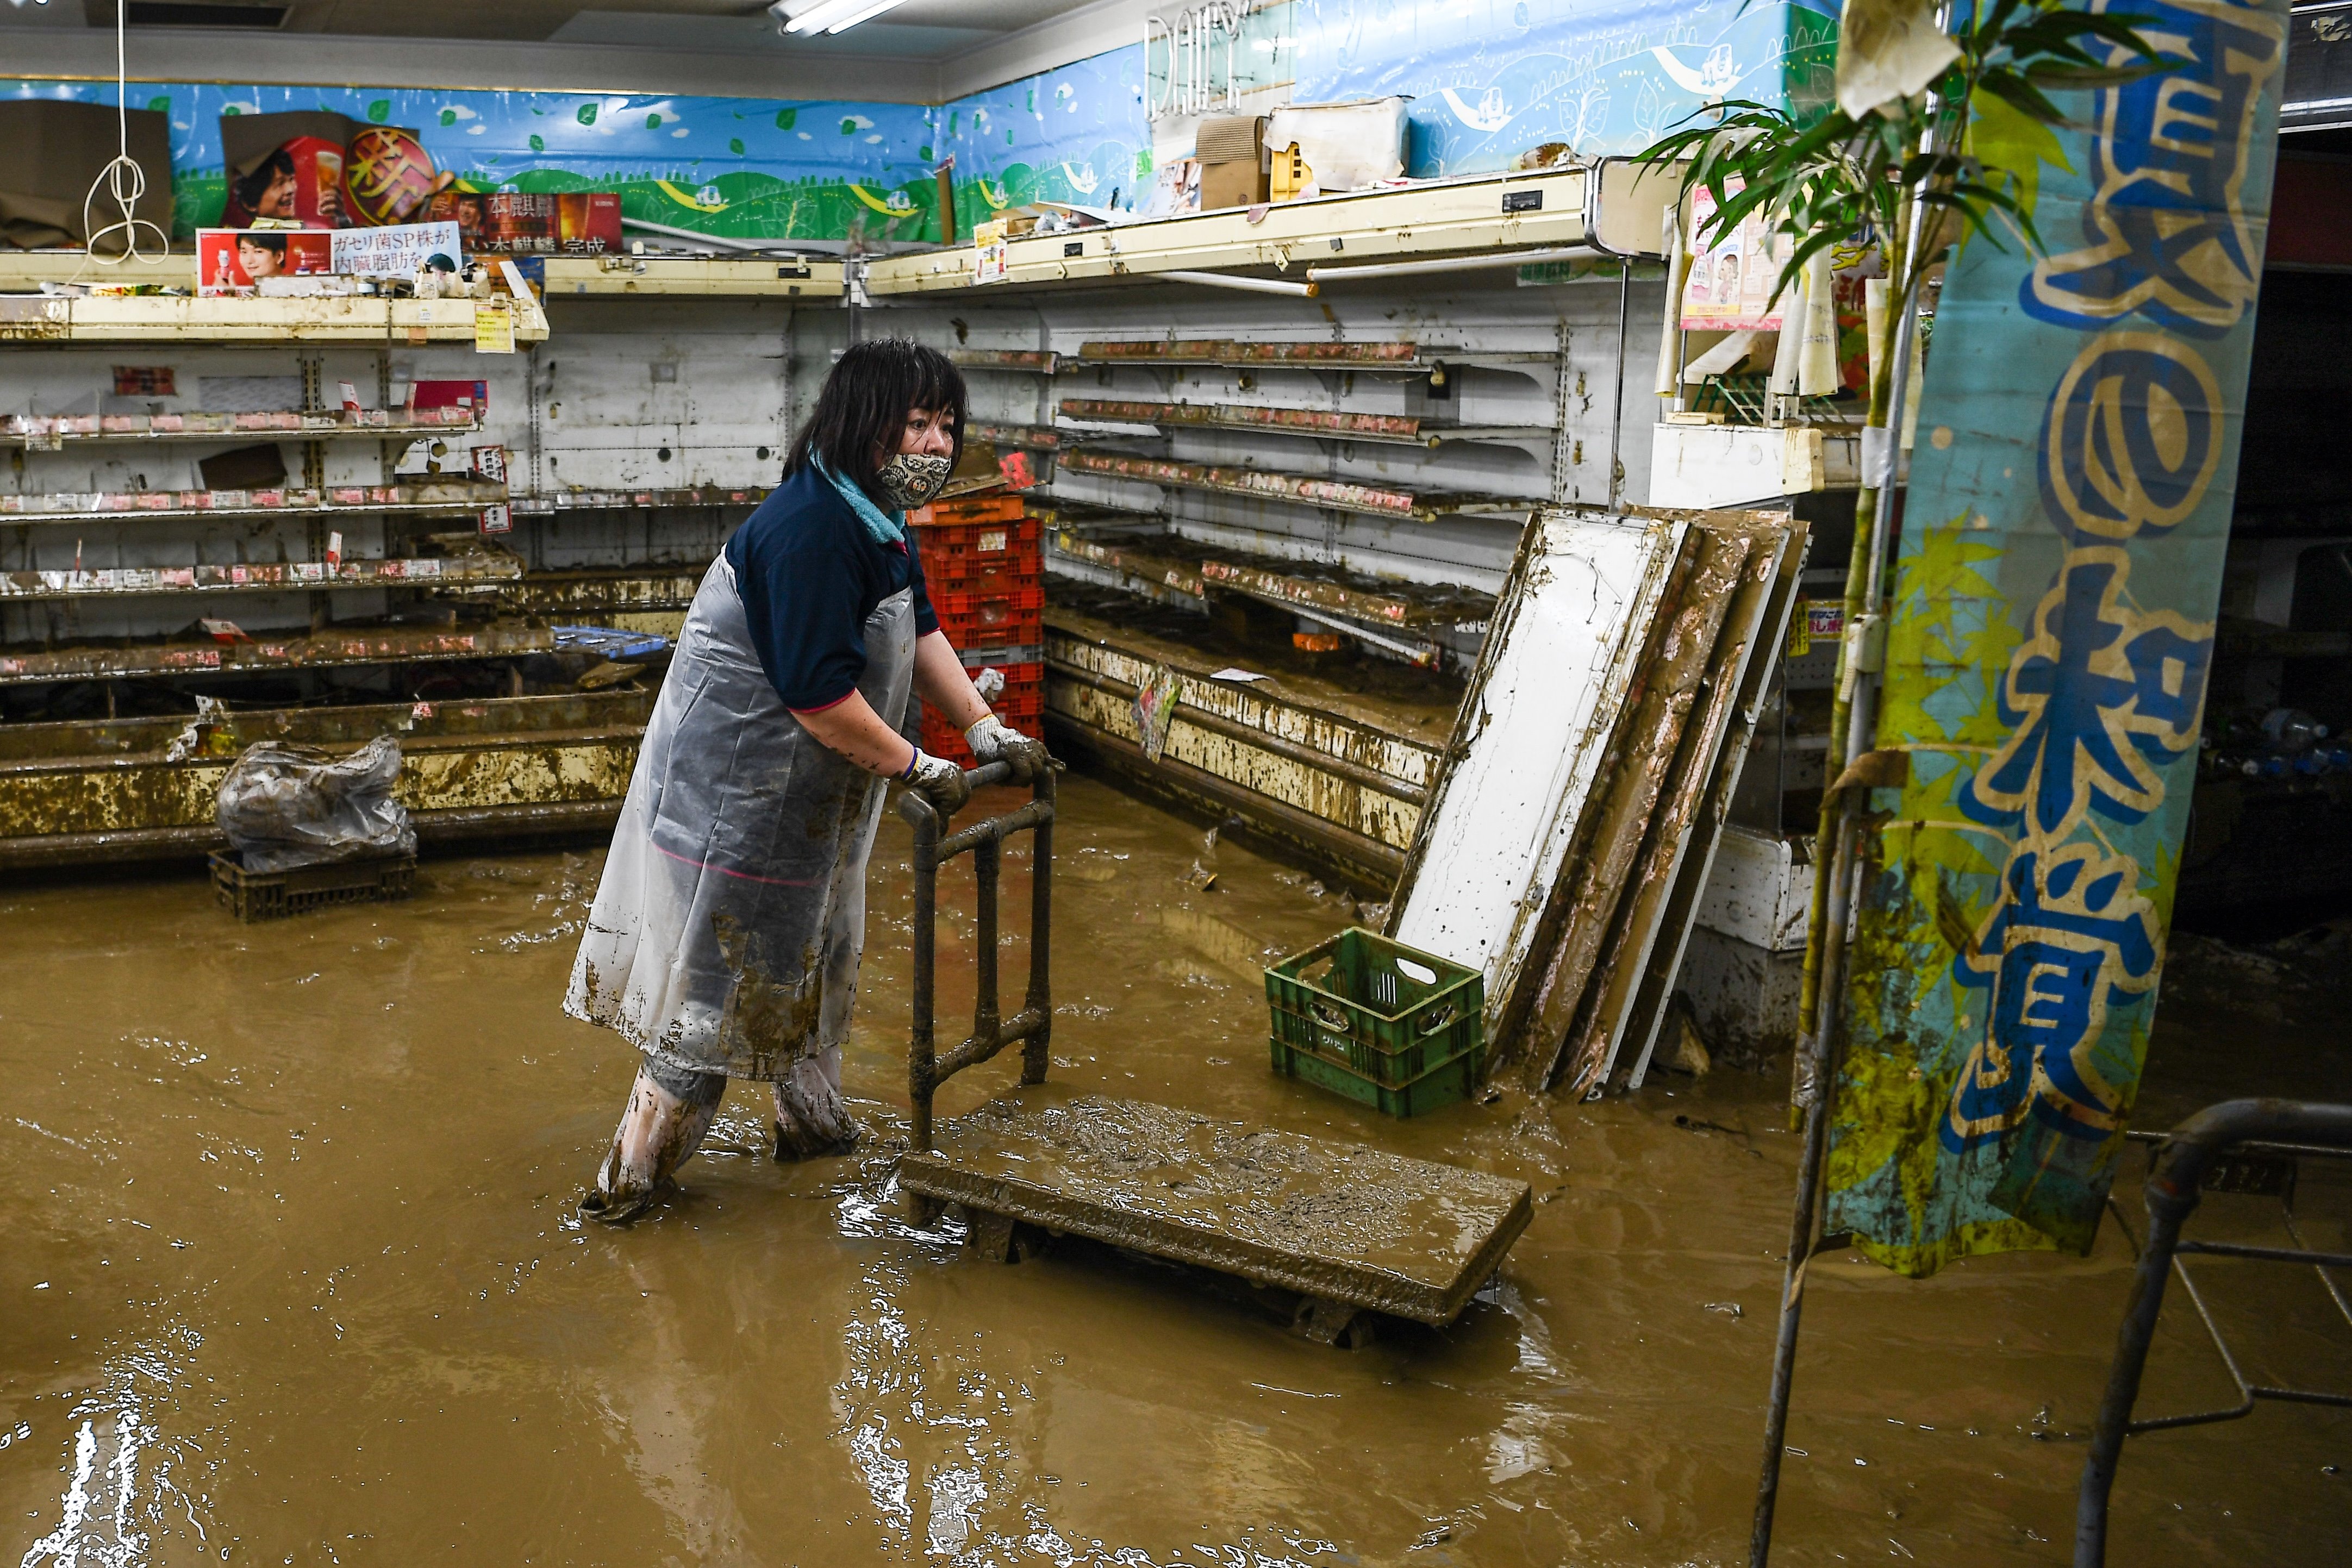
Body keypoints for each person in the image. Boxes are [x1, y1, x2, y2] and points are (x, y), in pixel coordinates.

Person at [565, 339, 1050, 1224]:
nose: (937, 445)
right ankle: (627, 1190)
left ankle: (813, 1135)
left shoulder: (872, 516)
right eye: (917, 423)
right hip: (734, 811)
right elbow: (820, 699)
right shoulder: (812, 530)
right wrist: (919, 763)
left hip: (807, 810)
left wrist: (982, 725)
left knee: (817, 967)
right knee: (709, 1011)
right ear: (864, 425)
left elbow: (922, 625)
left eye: (947, 425)